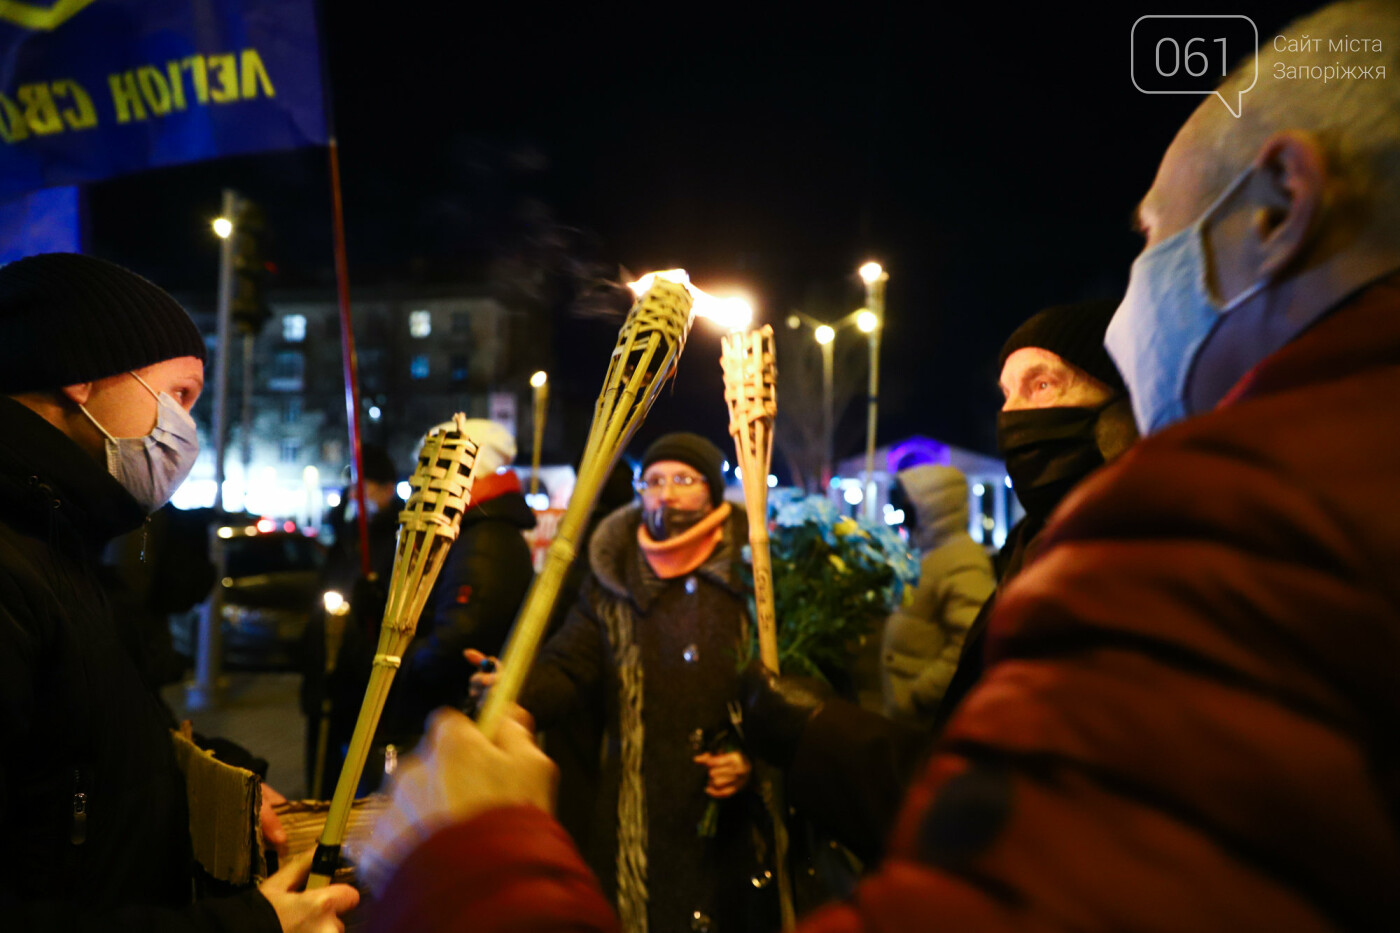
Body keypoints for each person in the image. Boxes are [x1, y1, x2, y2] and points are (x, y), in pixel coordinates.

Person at [362, 2, 1400, 928]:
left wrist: (474, 866)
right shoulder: (1295, 523)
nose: (1137, 291)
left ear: (1276, 208)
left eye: (1153, 238)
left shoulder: (1228, 561)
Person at [0, 252, 358, 932]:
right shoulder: (15, 558)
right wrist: (249, 925)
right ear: (81, 375)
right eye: (181, 393)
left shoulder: (58, 537)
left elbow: (74, 743)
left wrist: (203, 777)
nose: (187, 426)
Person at [470, 432, 775, 933]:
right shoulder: (613, 581)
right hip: (638, 816)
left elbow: (790, 691)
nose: (666, 495)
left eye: (683, 480)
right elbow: (569, 665)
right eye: (653, 481)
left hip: (733, 828)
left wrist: (752, 758)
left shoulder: (753, 580)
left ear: (713, 492)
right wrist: (513, 691)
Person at [379, 419, 536, 744]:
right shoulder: (474, 529)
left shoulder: (485, 538)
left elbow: (459, 638)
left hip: (449, 723)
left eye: (430, 467)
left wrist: (401, 662)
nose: (420, 480)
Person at [880, 464, 995, 725]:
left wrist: (920, 695)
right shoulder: (934, 552)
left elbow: (968, 643)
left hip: (928, 721)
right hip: (912, 721)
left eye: (910, 502)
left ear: (933, 505)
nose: (904, 510)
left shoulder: (962, 559)